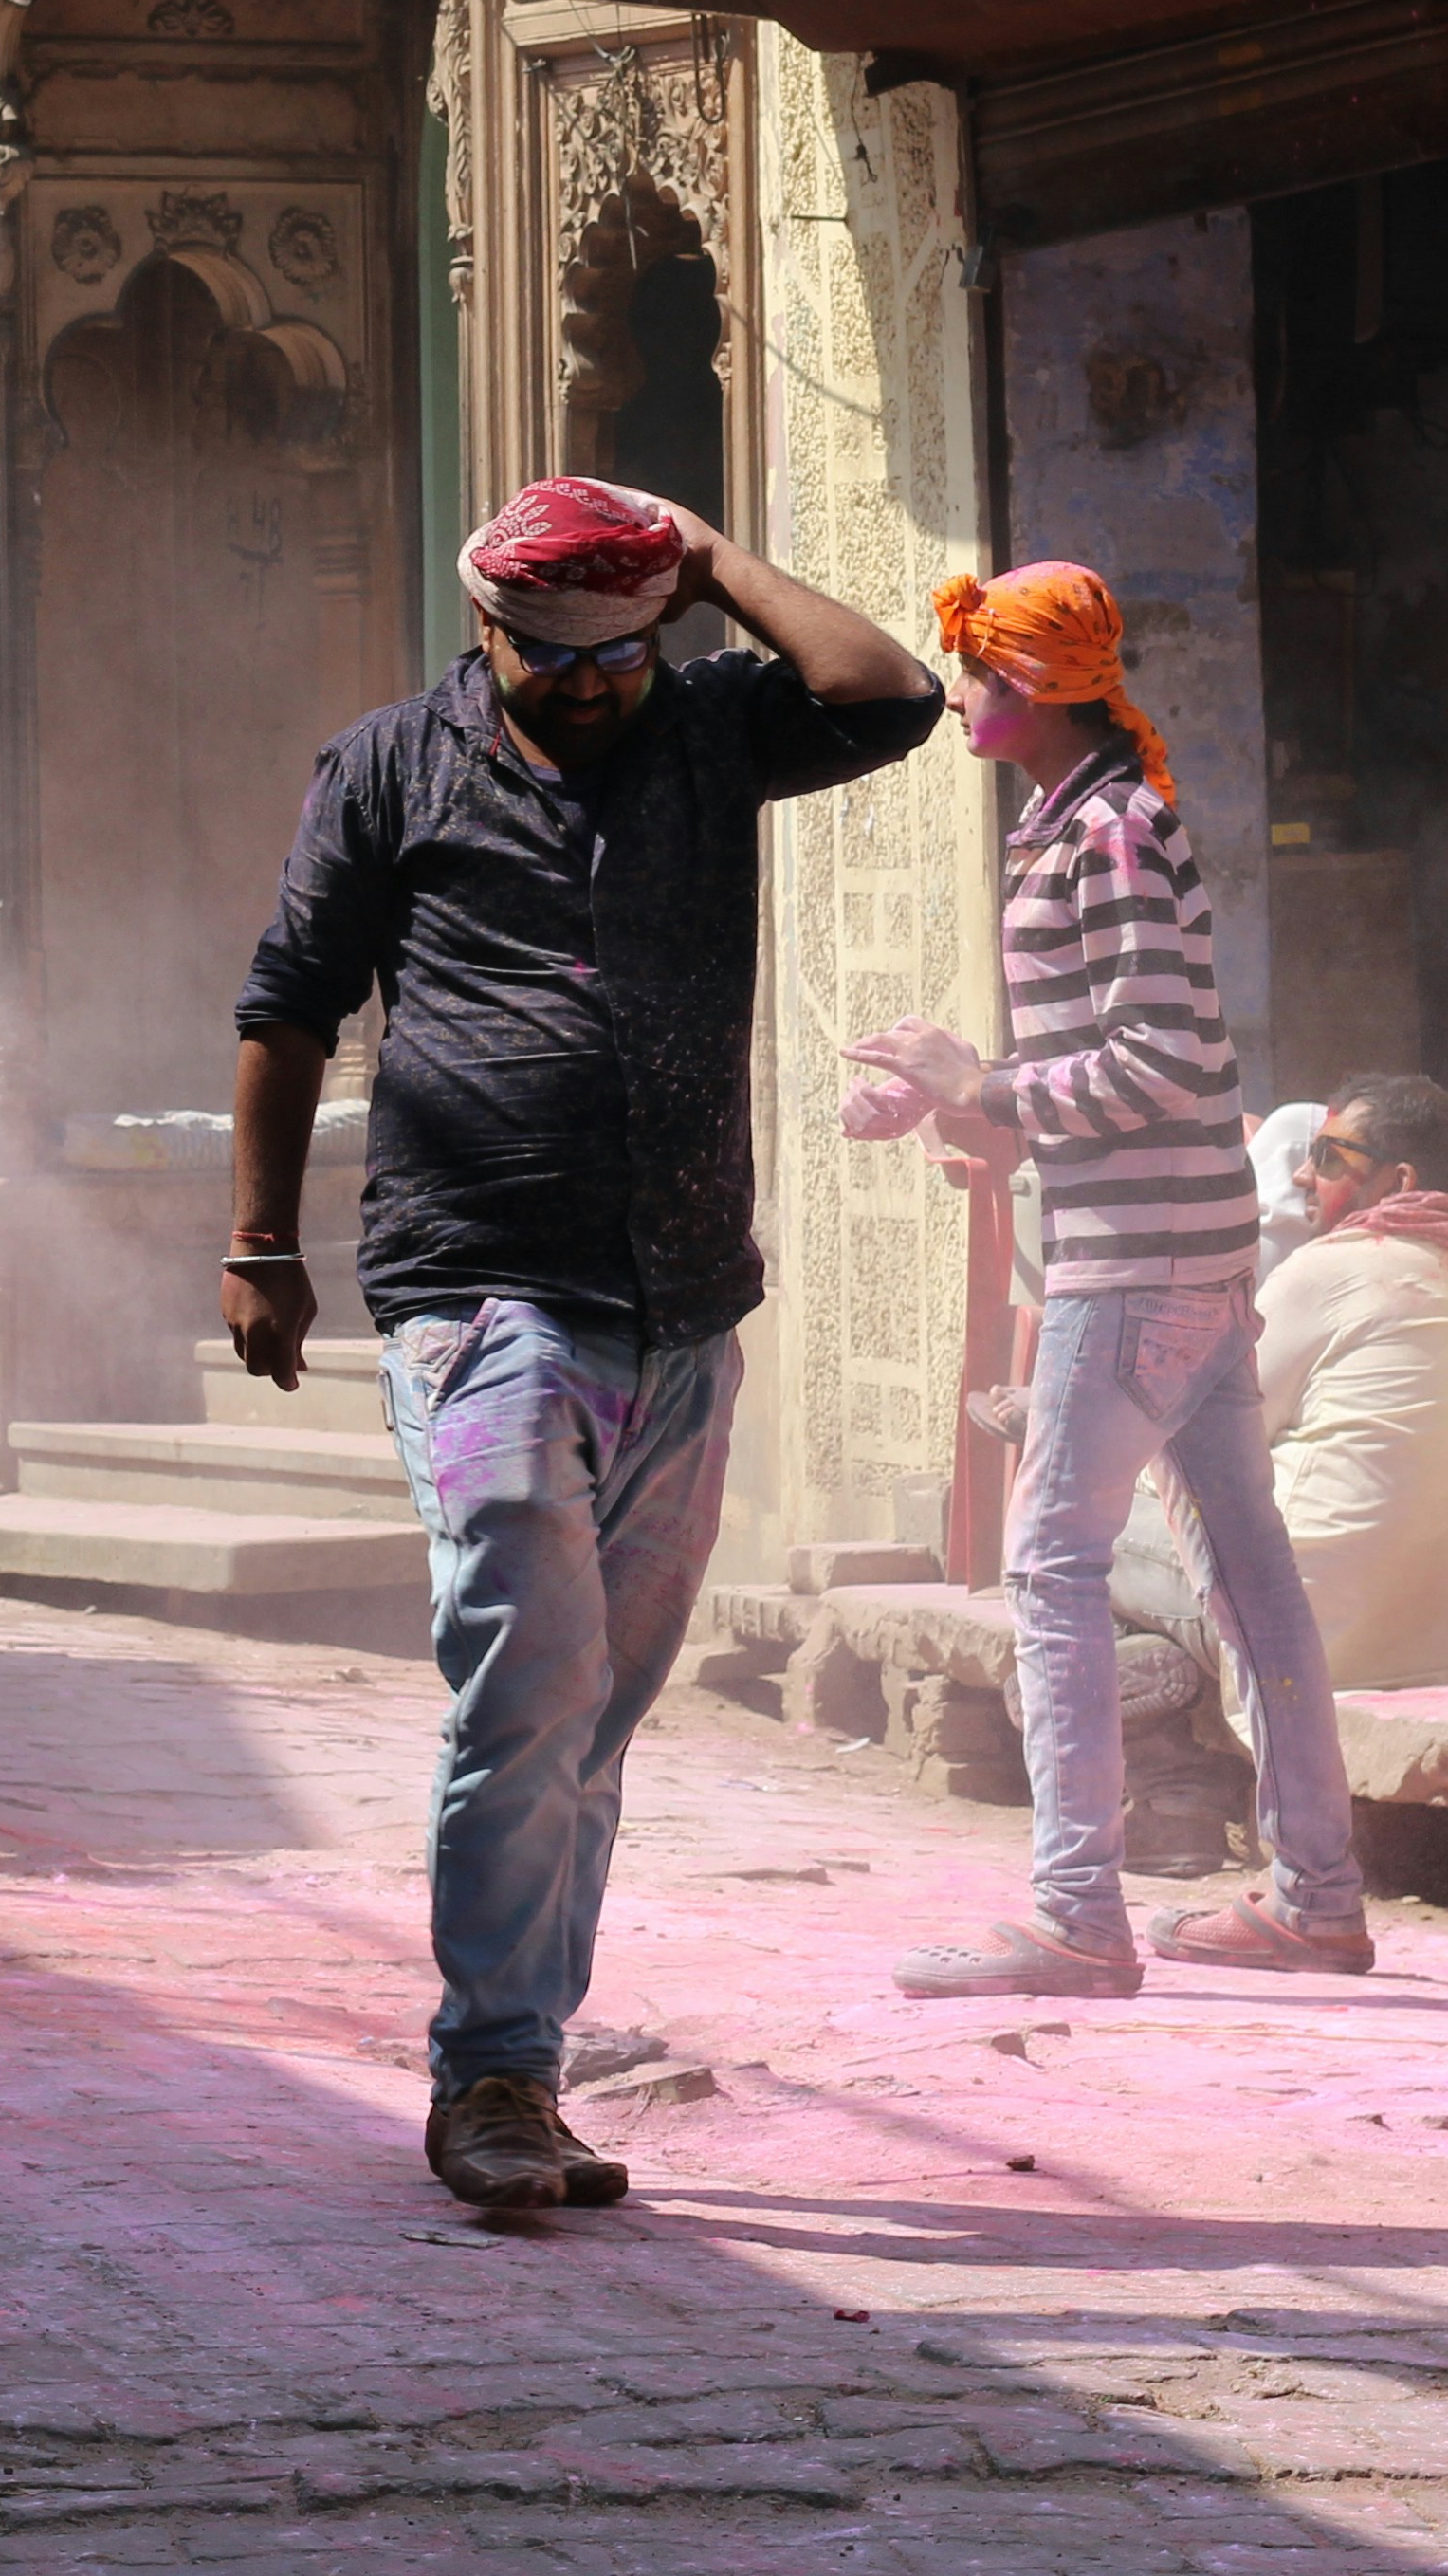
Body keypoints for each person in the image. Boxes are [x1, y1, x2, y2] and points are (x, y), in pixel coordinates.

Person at [232, 476, 939, 2211]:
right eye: (559, 661)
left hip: (683, 1301)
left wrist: (705, 561)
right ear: (487, 634)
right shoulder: (388, 764)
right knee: (526, 1684)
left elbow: (891, 694)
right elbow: (288, 1005)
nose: (597, 687)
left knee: (595, 1718)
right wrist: (258, 1241)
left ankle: (523, 2073)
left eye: (626, 654)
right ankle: (482, 2075)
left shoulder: (711, 728)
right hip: (476, 1291)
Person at [835, 561, 1372, 1997]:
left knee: (1053, 1568)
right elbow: (1115, 1068)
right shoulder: (1079, 824)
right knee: (1250, 1577)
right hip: (1185, 1257)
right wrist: (958, 1102)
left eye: (979, 675)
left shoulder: (1111, 838)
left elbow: (1159, 1063)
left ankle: (1080, 1915)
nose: (960, 696)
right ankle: (1318, 1899)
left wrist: (990, 1082)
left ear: (1036, 688)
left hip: (1133, 1274)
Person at [1117, 1074, 1448, 1704]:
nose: (1303, 1175)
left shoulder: (1327, 1270)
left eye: (1328, 1157)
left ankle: (1159, 1737)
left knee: (1082, 1516)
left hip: (1308, 1637)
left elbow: (1196, 1441)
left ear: (1399, 1182)